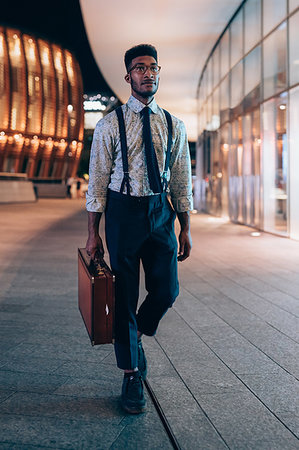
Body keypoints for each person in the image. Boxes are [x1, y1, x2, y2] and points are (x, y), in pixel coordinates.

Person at [85, 44, 193, 414]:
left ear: (158, 72)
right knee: (125, 295)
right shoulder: (109, 124)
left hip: (160, 212)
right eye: (139, 68)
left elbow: (181, 180)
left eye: (152, 67)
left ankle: (138, 334)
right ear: (127, 76)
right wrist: (92, 233)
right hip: (123, 213)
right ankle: (131, 375)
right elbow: (97, 180)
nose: (147, 73)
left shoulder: (174, 124)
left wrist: (185, 227)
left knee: (168, 290)